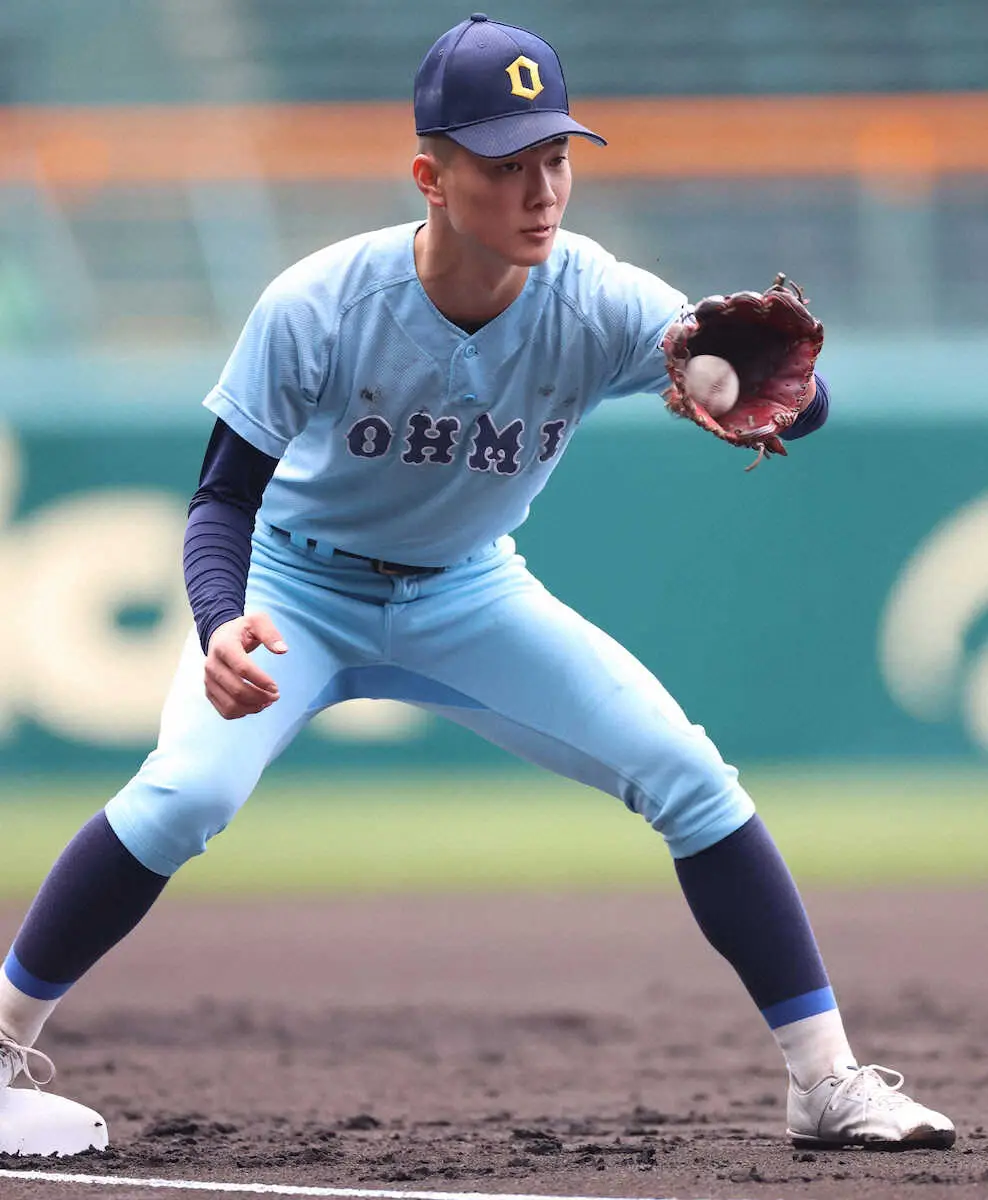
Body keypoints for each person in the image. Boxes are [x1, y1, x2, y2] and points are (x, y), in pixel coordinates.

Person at [0, 13, 954, 1156]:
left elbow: (792, 390)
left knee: (690, 777)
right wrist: (218, 623)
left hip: (465, 592)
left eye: (555, 157)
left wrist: (757, 380)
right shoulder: (320, 301)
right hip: (293, 589)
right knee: (183, 800)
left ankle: (826, 1082)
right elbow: (219, 502)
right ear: (431, 176)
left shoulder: (597, 296)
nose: (541, 188)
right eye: (505, 164)